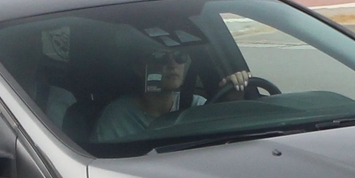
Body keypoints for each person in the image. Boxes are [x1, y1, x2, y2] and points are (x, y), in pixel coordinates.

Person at [94, 48, 251, 141]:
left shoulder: (197, 106)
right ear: (139, 68)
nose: (173, 64)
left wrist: (233, 103)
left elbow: (222, 145)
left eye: (179, 57)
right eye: (160, 57)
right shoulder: (117, 117)